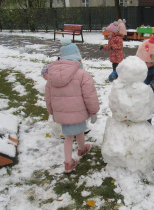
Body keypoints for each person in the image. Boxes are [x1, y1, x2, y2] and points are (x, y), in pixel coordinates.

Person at [45, 38, 100, 174]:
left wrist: (52, 112)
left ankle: (82, 149)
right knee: (71, 135)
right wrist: (93, 112)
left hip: (62, 113)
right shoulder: (82, 74)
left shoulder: (52, 75)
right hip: (78, 112)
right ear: (77, 57)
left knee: (75, 132)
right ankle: (68, 162)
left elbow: (48, 97)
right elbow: (90, 95)